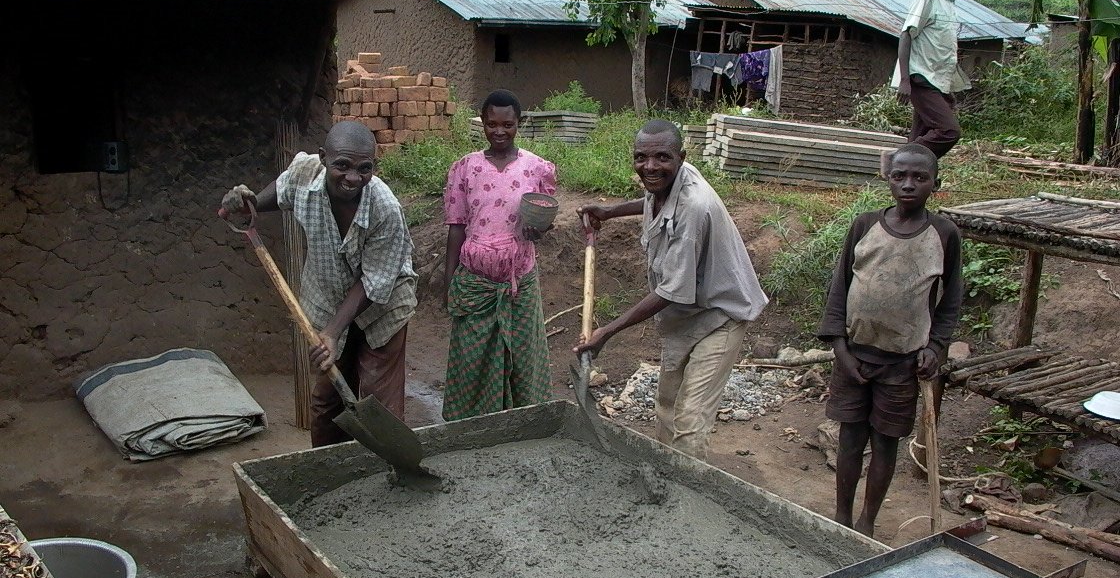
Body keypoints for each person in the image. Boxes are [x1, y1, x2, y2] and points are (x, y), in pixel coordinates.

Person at [575, 120, 768, 461]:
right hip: (686, 316)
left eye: (662, 158)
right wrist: (610, 212)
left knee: (690, 420)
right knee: (667, 404)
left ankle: (688, 488)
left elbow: (670, 291)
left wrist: (608, 332)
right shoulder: (667, 182)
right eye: (641, 157)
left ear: (681, 157)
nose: (650, 167)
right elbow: (654, 199)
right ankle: (666, 473)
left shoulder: (694, 207)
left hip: (720, 316)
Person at [220, 120, 417, 447]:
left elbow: (374, 282)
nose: (352, 178)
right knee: (327, 403)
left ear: (374, 166)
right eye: (342, 165)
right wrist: (249, 204)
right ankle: (328, 465)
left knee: (379, 403)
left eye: (364, 169)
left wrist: (332, 333)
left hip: (383, 309)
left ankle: (386, 468)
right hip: (327, 299)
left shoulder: (385, 208)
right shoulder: (304, 173)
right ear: (324, 157)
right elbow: (282, 192)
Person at [818, 143, 962, 538]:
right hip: (854, 356)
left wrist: (936, 347)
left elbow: (951, 299)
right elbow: (840, 286)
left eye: (920, 177)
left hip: (902, 362)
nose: (909, 184)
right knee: (850, 439)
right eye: (900, 176)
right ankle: (841, 516)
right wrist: (840, 348)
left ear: (935, 184)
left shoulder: (943, 234)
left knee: (885, 443)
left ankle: (867, 521)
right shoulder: (865, 225)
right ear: (888, 179)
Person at [442, 89, 557, 421]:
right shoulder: (465, 168)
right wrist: (449, 283)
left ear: (520, 123)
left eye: (507, 124)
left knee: (523, 359)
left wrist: (538, 230)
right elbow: (456, 227)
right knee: (471, 360)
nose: (499, 131)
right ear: (482, 122)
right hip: (474, 285)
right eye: (491, 124)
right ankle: (471, 427)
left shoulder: (537, 169)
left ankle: (525, 425)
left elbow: (543, 222)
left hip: (520, 282)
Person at [893, 0, 972, 159]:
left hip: (936, 81)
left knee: (920, 134)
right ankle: (899, 160)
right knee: (949, 131)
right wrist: (904, 80)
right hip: (921, 78)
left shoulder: (950, 4)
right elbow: (906, 35)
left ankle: (906, 171)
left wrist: (947, 90)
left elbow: (942, 51)